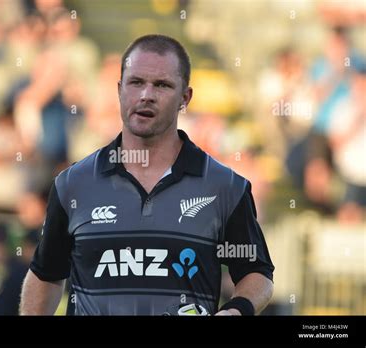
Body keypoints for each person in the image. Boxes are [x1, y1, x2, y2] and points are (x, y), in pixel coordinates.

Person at [20, 34, 274, 316]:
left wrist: (237, 309)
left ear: (185, 97)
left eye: (162, 85)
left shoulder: (226, 187)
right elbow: (46, 274)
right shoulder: (72, 184)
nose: (146, 95)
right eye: (136, 82)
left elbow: (257, 272)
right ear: (119, 90)